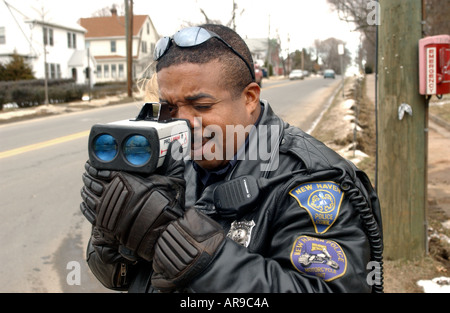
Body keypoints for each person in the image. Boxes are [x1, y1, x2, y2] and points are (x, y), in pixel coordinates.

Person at [80, 24, 383, 293]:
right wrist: (112, 236)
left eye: (201, 105)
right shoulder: (166, 158)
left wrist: (204, 260)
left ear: (250, 99)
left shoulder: (309, 181)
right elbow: (117, 278)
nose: (183, 123)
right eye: (169, 106)